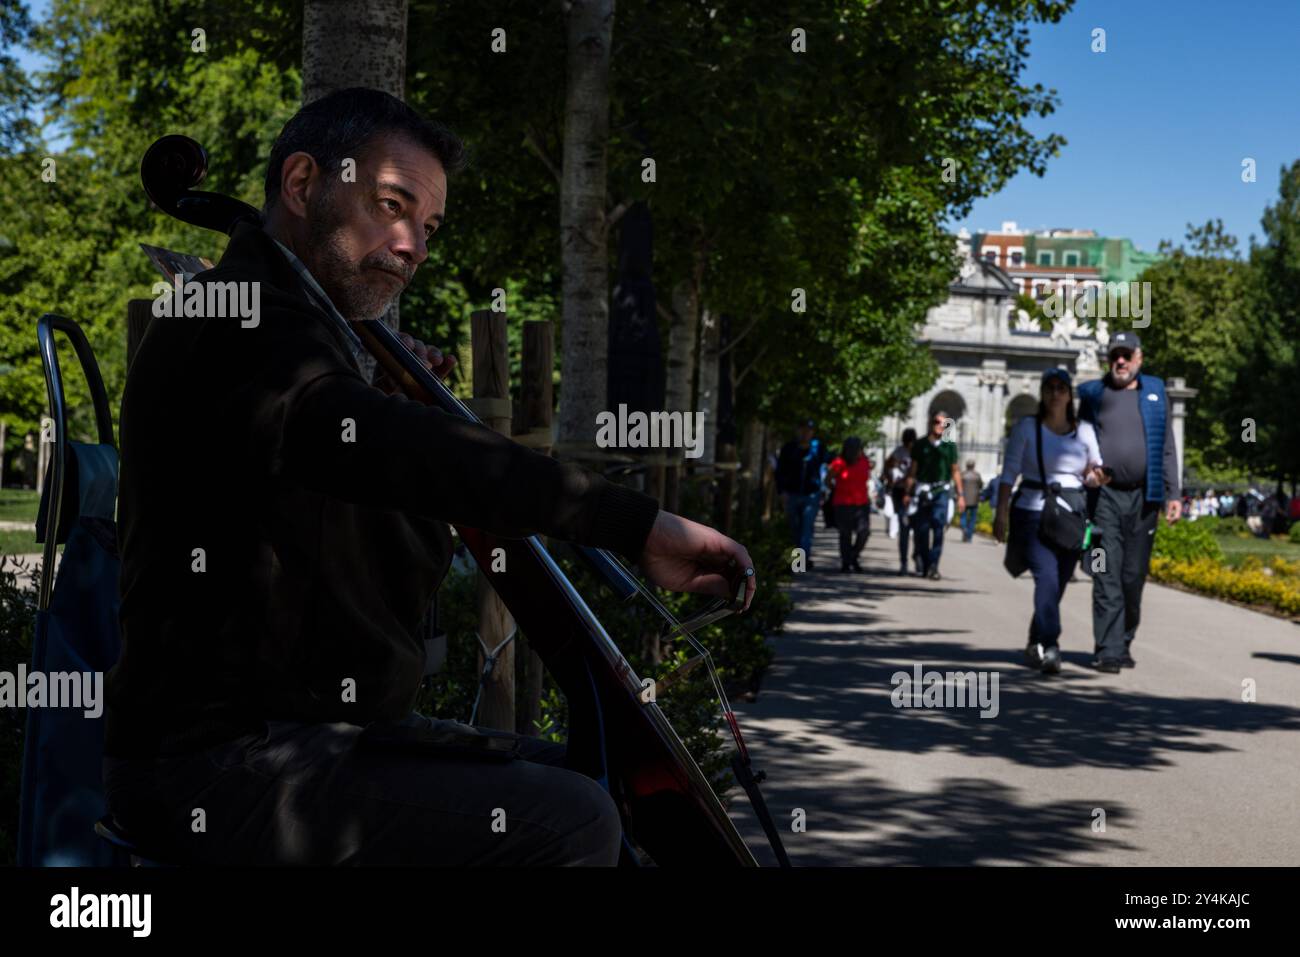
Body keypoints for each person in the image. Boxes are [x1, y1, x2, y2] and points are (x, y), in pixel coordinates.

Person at [103, 88, 757, 866]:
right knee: (571, 819)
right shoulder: (229, 320)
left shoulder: (304, 342)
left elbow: (356, 513)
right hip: (217, 764)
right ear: (304, 184)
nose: (413, 244)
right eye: (391, 204)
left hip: (310, 737)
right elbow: (416, 456)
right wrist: (631, 524)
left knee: (587, 783)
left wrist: (366, 379)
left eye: (430, 226)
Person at [1077, 330, 1180, 673]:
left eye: (1126, 355)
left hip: (1144, 498)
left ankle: (1123, 640)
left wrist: (1173, 494)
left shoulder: (1155, 391)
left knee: (1132, 577)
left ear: (1139, 358)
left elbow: (1167, 447)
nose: (1119, 361)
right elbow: (1079, 442)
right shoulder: (1093, 394)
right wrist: (1085, 471)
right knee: (1105, 572)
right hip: (1103, 497)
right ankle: (1108, 648)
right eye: (1114, 355)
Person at [993, 369, 1107, 674]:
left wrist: (1096, 477)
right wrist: (1001, 511)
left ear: (1069, 395)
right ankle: (1051, 644)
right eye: (1050, 388)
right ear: (1042, 393)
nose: (1055, 393)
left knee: (1057, 584)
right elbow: (1009, 473)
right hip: (1032, 511)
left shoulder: (1083, 431)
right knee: (1046, 576)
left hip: (1071, 514)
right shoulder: (1027, 428)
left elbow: (1094, 470)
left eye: (1061, 388)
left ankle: (1035, 641)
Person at [902, 411, 965, 580]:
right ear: (931, 423)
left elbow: (955, 471)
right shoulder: (920, 444)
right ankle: (924, 559)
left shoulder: (949, 445)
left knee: (938, 527)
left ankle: (933, 566)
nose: (940, 425)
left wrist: (960, 495)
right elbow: (913, 470)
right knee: (921, 530)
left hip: (941, 491)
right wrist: (908, 492)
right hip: (923, 491)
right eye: (937, 422)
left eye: (944, 423)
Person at [775, 419, 829, 569]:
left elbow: (826, 468)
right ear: (797, 430)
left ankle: (800, 562)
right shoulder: (789, 449)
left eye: (808, 430)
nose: (805, 433)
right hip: (791, 494)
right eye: (803, 429)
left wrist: (824, 489)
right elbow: (779, 472)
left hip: (811, 495)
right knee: (793, 528)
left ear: (812, 432)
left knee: (806, 528)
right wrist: (781, 491)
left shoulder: (818, 448)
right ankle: (795, 559)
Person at [826, 437, 871, 572]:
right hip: (842, 504)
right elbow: (828, 479)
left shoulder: (864, 462)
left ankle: (853, 556)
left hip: (861, 503)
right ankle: (846, 562)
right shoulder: (839, 463)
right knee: (845, 534)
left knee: (864, 532)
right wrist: (836, 489)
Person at [883, 428, 917, 573]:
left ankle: (917, 556)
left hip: (915, 492)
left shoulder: (918, 453)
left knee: (919, 529)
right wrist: (891, 480)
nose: (909, 444)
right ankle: (904, 562)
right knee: (904, 527)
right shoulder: (899, 452)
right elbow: (887, 465)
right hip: (901, 491)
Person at [959, 458, 983, 542]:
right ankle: (969, 536)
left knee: (963, 516)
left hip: (964, 499)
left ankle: (964, 528)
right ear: (973, 466)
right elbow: (981, 486)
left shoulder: (962, 475)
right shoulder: (977, 475)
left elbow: (958, 487)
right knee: (972, 519)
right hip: (974, 500)